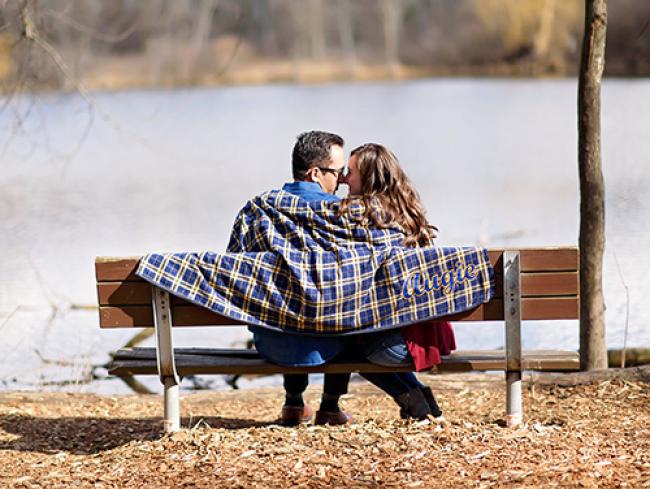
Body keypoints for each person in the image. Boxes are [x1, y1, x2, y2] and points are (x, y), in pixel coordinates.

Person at [244, 131, 442, 425]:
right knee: (338, 312)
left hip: (272, 341)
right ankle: (331, 405)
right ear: (315, 173)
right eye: (338, 173)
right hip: (328, 339)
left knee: (288, 295)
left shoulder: (257, 210)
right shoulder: (343, 216)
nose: (341, 181)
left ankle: (294, 403)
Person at [339, 142, 457, 419]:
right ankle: (419, 399)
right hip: (428, 336)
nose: (344, 178)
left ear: (369, 178)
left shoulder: (362, 214)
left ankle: (411, 397)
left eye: (351, 172)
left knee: (342, 346)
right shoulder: (407, 212)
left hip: (399, 346)